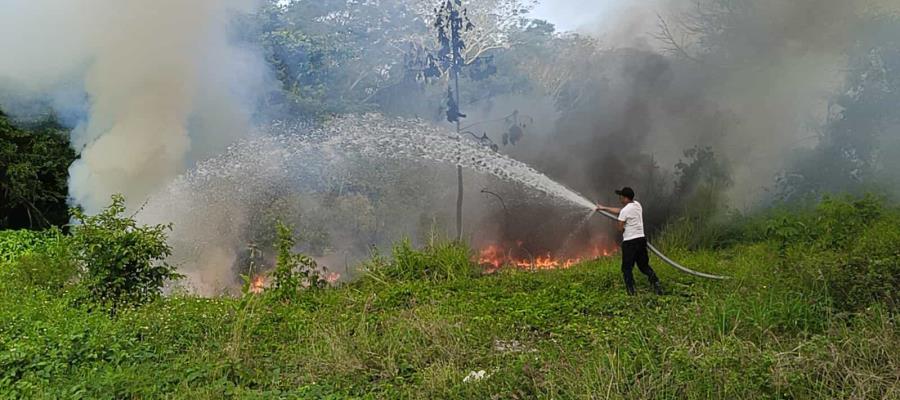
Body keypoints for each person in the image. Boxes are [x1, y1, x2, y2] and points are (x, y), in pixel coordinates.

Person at [596, 187, 663, 295]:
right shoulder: (637, 205)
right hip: (641, 240)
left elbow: (619, 227)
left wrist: (622, 227)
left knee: (626, 268)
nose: (620, 198)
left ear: (626, 198)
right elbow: (620, 211)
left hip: (630, 242)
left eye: (621, 197)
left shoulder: (625, 211)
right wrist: (603, 208)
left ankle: (631, 292)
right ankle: (656, 283)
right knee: (643, 266)